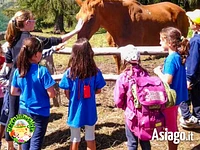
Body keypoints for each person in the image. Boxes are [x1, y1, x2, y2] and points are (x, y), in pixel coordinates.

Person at [4, 10, 84, 149]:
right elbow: (57, 39)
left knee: (14, 114)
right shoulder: (33, 43)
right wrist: (76, 30)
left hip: (17, 82)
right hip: (37, 105)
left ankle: (11, 144)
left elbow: (9, 63)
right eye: (33, 20)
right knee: (35, 139)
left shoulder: (13, 39)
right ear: (27, 22)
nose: (35, 22)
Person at [59, 38, 106, 150]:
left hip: (75, 110)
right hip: (90, 110)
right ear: (90, 53)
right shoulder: (95, 72)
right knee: (90, 137)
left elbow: (67, 92)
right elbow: (98, 90)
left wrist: (74, 97)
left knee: (74, 138)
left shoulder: (69, 73)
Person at [10, 37, 56, 150]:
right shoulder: (42, 71)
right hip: (40, 112)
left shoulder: (18, 71)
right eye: (41, 51)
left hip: (23, 110)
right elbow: (52, 94)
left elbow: (13, 91)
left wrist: (26, 92)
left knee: (24, 140)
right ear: (36, 54)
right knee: (36, 143)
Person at [154, 27, 189, 150]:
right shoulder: (177, 56)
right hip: (178, 96)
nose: (159, 43)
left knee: (171, 127)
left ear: (169, 42)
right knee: (172, 124)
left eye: (161, 40)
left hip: (171, 99)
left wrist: (158, 72)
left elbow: (168, 80)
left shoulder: (171, 59)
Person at [114, 44, 150, 150]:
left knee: (132, 143)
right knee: (145, 140)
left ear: (124, 59)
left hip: (131, 115)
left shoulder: (124, 77)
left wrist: (123, 105)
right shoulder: (145, 73)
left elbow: (118, 99)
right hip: (146, 114)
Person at [178, 9, 200, 128]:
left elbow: (194, 60)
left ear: (195, 24)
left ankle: (187, 118)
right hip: (198, 74)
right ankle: (198, 117)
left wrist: (188, 77)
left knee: (182, 93)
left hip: (194, 74)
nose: (188, 22)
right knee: (197, 96)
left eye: (190, 21)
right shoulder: (196, 37)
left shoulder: (196, 41)